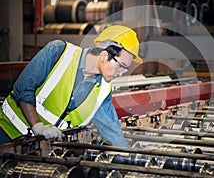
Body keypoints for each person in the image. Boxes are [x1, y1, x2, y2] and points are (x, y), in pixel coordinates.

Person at [0, 25, 143, 147]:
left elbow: (111, 130)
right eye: (121, 67)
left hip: (37, 149)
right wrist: (37, 126)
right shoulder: (58, 52)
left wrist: (129, 156)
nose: (122, 73)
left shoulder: (103, 90)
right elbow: (24, 89)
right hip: (6, 132)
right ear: (104, 56)